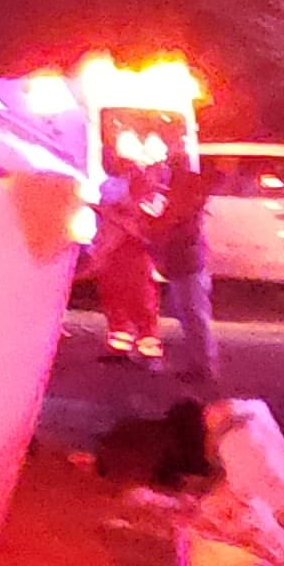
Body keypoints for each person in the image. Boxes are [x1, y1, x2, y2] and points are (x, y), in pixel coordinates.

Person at [149, 126, 218, 390]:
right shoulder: (178, 190)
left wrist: (157, 227)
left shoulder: (185, 191)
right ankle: (198, 365)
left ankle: (204, 368)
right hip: (182, 262)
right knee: (189, 315)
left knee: (195, 315)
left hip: (188, 262)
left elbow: (175, 221)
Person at [94, 129, 164, 359]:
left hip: (135, 247)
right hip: (115, 248)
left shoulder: (150, 184)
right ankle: (121, 344)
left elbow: (149, 212)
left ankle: (148, 346)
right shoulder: (116, 182)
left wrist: (121, 214)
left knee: (140, 297)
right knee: (115, 296)